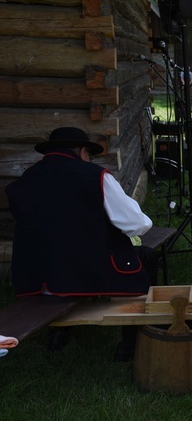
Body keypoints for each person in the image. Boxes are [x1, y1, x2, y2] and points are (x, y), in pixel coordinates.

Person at [6, 127, 156, 361]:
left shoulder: (24, 182)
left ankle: (60, 334)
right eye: (89, 155)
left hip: (36, 278)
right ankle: (130, 344)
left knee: (65, 255)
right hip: (87, 275)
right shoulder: (96, 176)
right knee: (146, 257)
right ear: (83, 151)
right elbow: (137, 225)